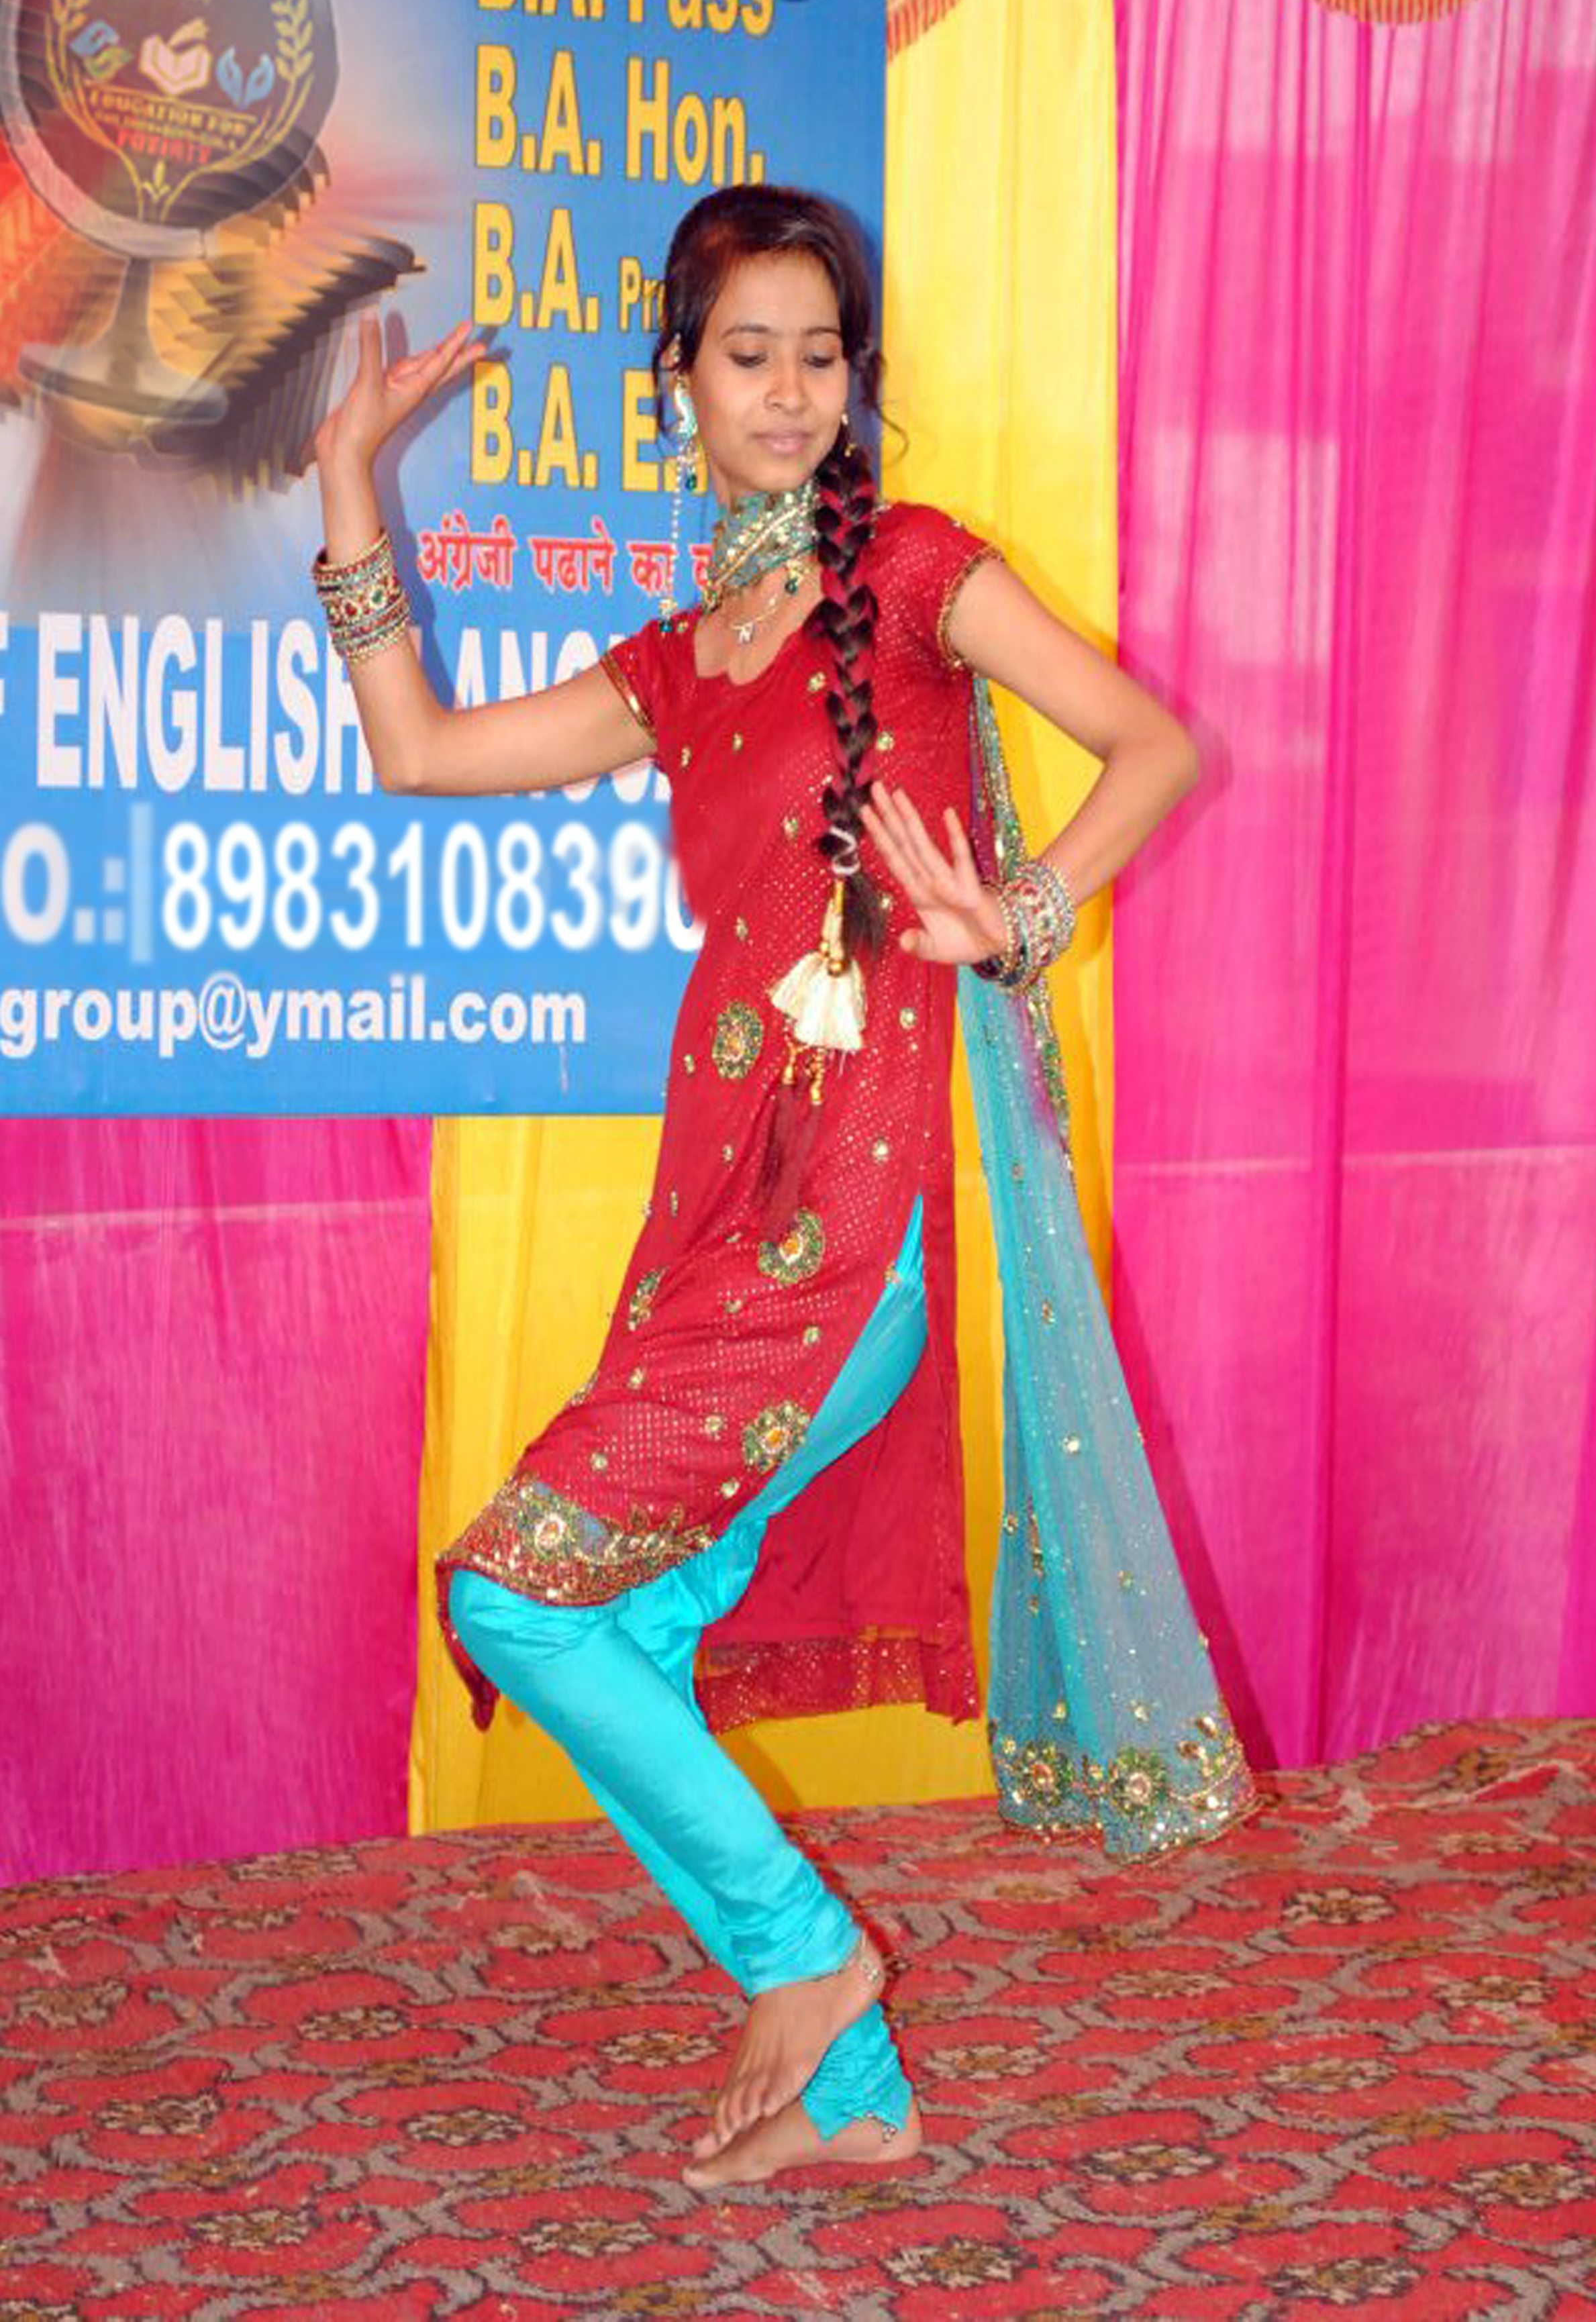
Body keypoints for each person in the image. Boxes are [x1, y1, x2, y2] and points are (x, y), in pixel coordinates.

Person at [309, 183, 1216, 2191]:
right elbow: (418, 753)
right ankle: (860, 2095)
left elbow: (1150, 743)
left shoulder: (914, 571)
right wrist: (348, 485)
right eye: (751, 355)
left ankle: (806, 1959)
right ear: (680, 384)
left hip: (852, 1241)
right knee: (617, 1624)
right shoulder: (671, 666)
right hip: (721, 1227)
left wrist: (1019, 915)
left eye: (822, 355)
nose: (793, 391)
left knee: (511, 1596)